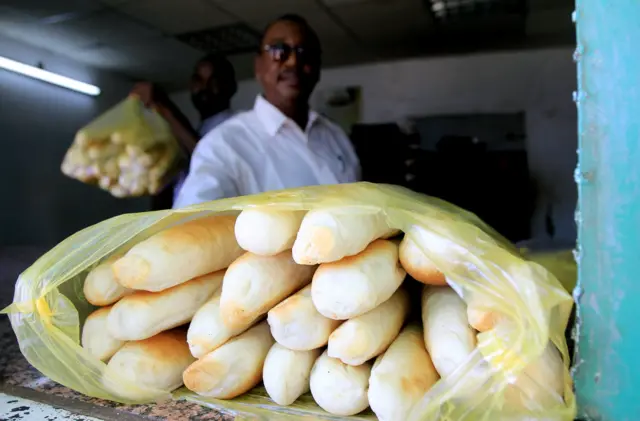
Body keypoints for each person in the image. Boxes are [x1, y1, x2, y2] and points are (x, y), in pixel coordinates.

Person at [173, 14, 360, 208]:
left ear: (317, 68)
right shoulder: (223, 145)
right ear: (259, 66)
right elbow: (192, 225)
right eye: (279, 50)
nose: (293, 62)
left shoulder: (336, 136)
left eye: (305, 51)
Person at [130, 54, 238, 208]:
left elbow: (205, 155)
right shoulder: (199, 129)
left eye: (213, 81)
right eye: (198, 80)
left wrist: (163, 105)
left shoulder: (235, 128)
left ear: (230, 87)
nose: (204, 88)